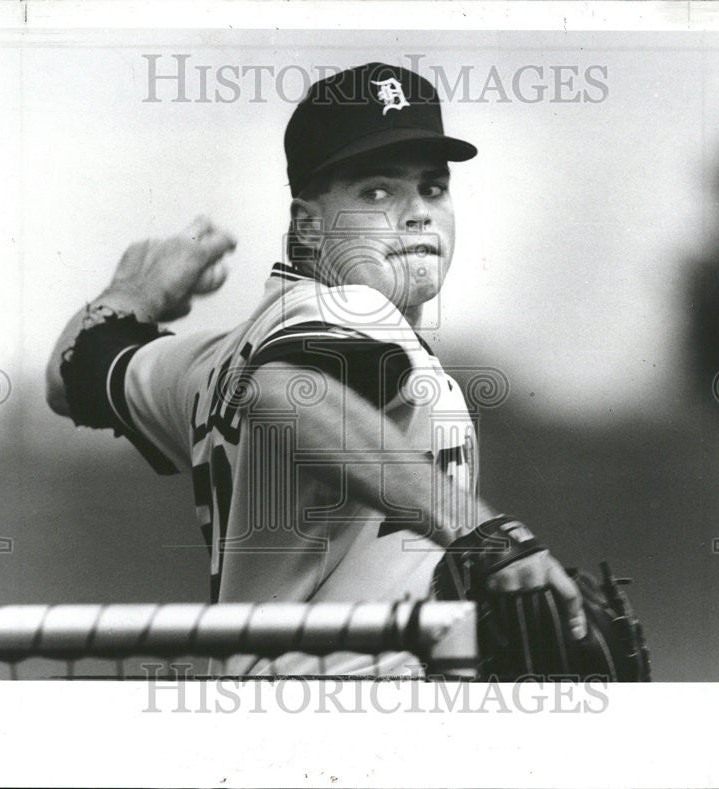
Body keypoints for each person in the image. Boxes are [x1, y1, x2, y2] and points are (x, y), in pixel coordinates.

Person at [45, 62, 586, 676]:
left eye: (433, 187)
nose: (419, 213)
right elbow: (284, 392)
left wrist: (133, 292)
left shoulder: (217, 361)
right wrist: (483, 534)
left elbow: (74, 373)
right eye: (377, 191)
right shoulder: (349, 310)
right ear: (307, 224)